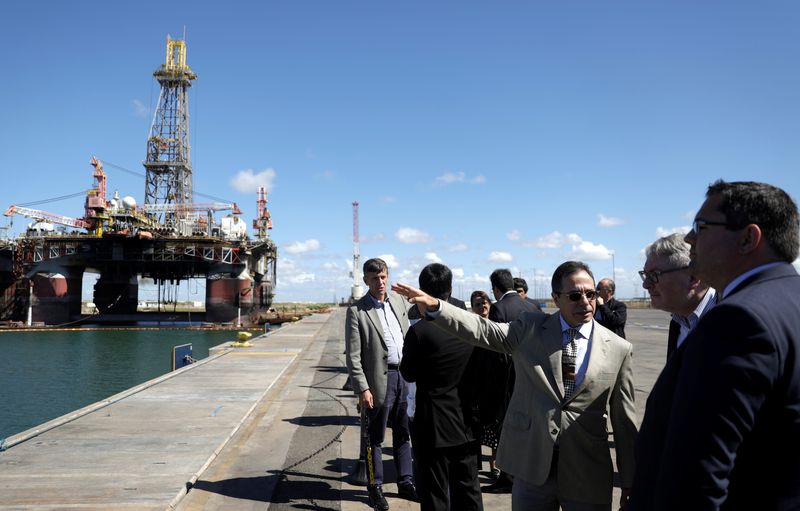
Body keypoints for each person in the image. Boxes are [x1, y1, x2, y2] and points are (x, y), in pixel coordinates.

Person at [393, 260, 637, 511]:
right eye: (575, 295)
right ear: (556, 298)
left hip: (587, 471)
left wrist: (631, 479)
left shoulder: (619, 349)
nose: (585, 302)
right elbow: (483, 330)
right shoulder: (531, 328)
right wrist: (436, 306)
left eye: (591, 294)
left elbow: (624, 422)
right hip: (533, 468)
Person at [631, 180, 800, 510]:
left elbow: (700, 473)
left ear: (748, 238)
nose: (691, 238)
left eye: (701, 227)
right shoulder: (786, 300)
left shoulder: (736, 319)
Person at [400, 263, 483, 511]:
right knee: (469, 490)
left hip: (432, 424)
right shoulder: (470, 327)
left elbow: (408, 373)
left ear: (422, 291)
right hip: (466, 421)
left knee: (435, 494)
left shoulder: (419, 332)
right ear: (450, 288)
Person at [346, 257, 417, 510]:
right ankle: (375, 487)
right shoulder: (357, 311)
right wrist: (362, 388)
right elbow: (353, 356)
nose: (381, 282)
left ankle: (405, 482)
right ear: (366, 280)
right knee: (375, 438)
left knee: (403, 432)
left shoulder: (398, 301)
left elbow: (410, 335)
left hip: (404, 377)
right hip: (378, 380)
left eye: (384, 277)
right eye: (375, 278)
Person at [481, 269, 542, 494]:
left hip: (509, 379)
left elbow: (497, 348)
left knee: (508, 429)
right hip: (534, 376)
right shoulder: (533, 305)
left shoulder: (500, 308)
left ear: (496, 289)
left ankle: (508, 476)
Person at [639, 233, 716, 361]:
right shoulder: (678, 322)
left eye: (654, 275)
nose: (645, 285)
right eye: (645, 275)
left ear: (693, 278)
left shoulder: (735, 320)